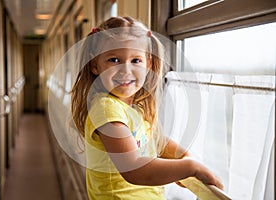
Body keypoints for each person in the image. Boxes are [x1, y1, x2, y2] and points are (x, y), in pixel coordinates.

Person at [71, 16, 223, 199]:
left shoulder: (132, 107)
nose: (126, 70)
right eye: (114, 60)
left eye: (136, 60)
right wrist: (191, 168)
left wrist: (182, 154)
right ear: (95, 65)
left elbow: (151, 140)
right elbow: (134, 168)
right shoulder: (107, 109)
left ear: (148, 64)